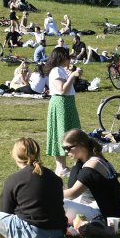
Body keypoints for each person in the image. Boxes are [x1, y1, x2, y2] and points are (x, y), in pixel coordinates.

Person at [0, 138, 67, 238]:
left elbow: (5, 212)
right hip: (59, 232)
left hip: (33, 233)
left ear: (15, 156)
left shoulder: (14, 179)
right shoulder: (53, 176)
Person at [61, 128, 120, 226]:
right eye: (64, 148)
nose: (66, 152)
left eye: (68, 148)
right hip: (99, 209)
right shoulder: (93, 160)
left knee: (60, 203)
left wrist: (49, 194)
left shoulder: (93, 164)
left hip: (102, 214)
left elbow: (72, 194)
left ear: (81, 144)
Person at [45, 47, 82, 176]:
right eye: (68, 56)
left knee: (70, 132)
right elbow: (61, 90)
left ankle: (64, 167)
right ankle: (61, 167)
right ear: (62, 58)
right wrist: (72, 75)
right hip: (61, 103)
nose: (70, 59)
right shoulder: (55, 71)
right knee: (61, 132)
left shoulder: (60, 70)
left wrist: (71, 74)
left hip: (67, 103)